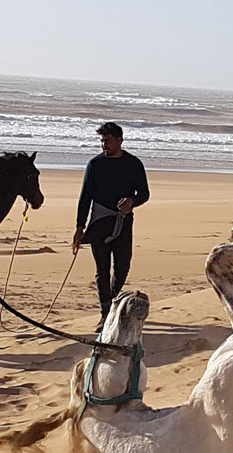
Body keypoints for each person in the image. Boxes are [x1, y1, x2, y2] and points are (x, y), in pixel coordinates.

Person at [71, 121, 150, 331]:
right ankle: (106, 313)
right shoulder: (95, 165)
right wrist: (80, 227)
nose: (104, 145)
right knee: (102, 270)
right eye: (101, 141)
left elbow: (144, 193)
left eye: (107, 141)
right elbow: (85, 197)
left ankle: (113, 301)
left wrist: (132, 201)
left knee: (123, 267)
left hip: (123, 222)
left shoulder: (134, 164)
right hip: (99, 223)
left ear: (119, 141)